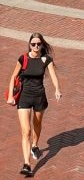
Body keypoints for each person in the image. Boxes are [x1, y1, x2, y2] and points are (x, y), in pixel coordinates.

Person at [6, 32, 62, 177]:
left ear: (42, 44)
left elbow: (54, 76)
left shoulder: (46, 60)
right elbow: (13, 76)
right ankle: (27, 164)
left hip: (39, 97)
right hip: (24, 97)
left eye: (38, 44)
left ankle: (35, 145)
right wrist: (11, 96)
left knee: (37, 124)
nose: (36, 46)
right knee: (26, 131)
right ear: (29, 44)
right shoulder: (23, 58)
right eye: (33, 44)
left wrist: (57, 89)